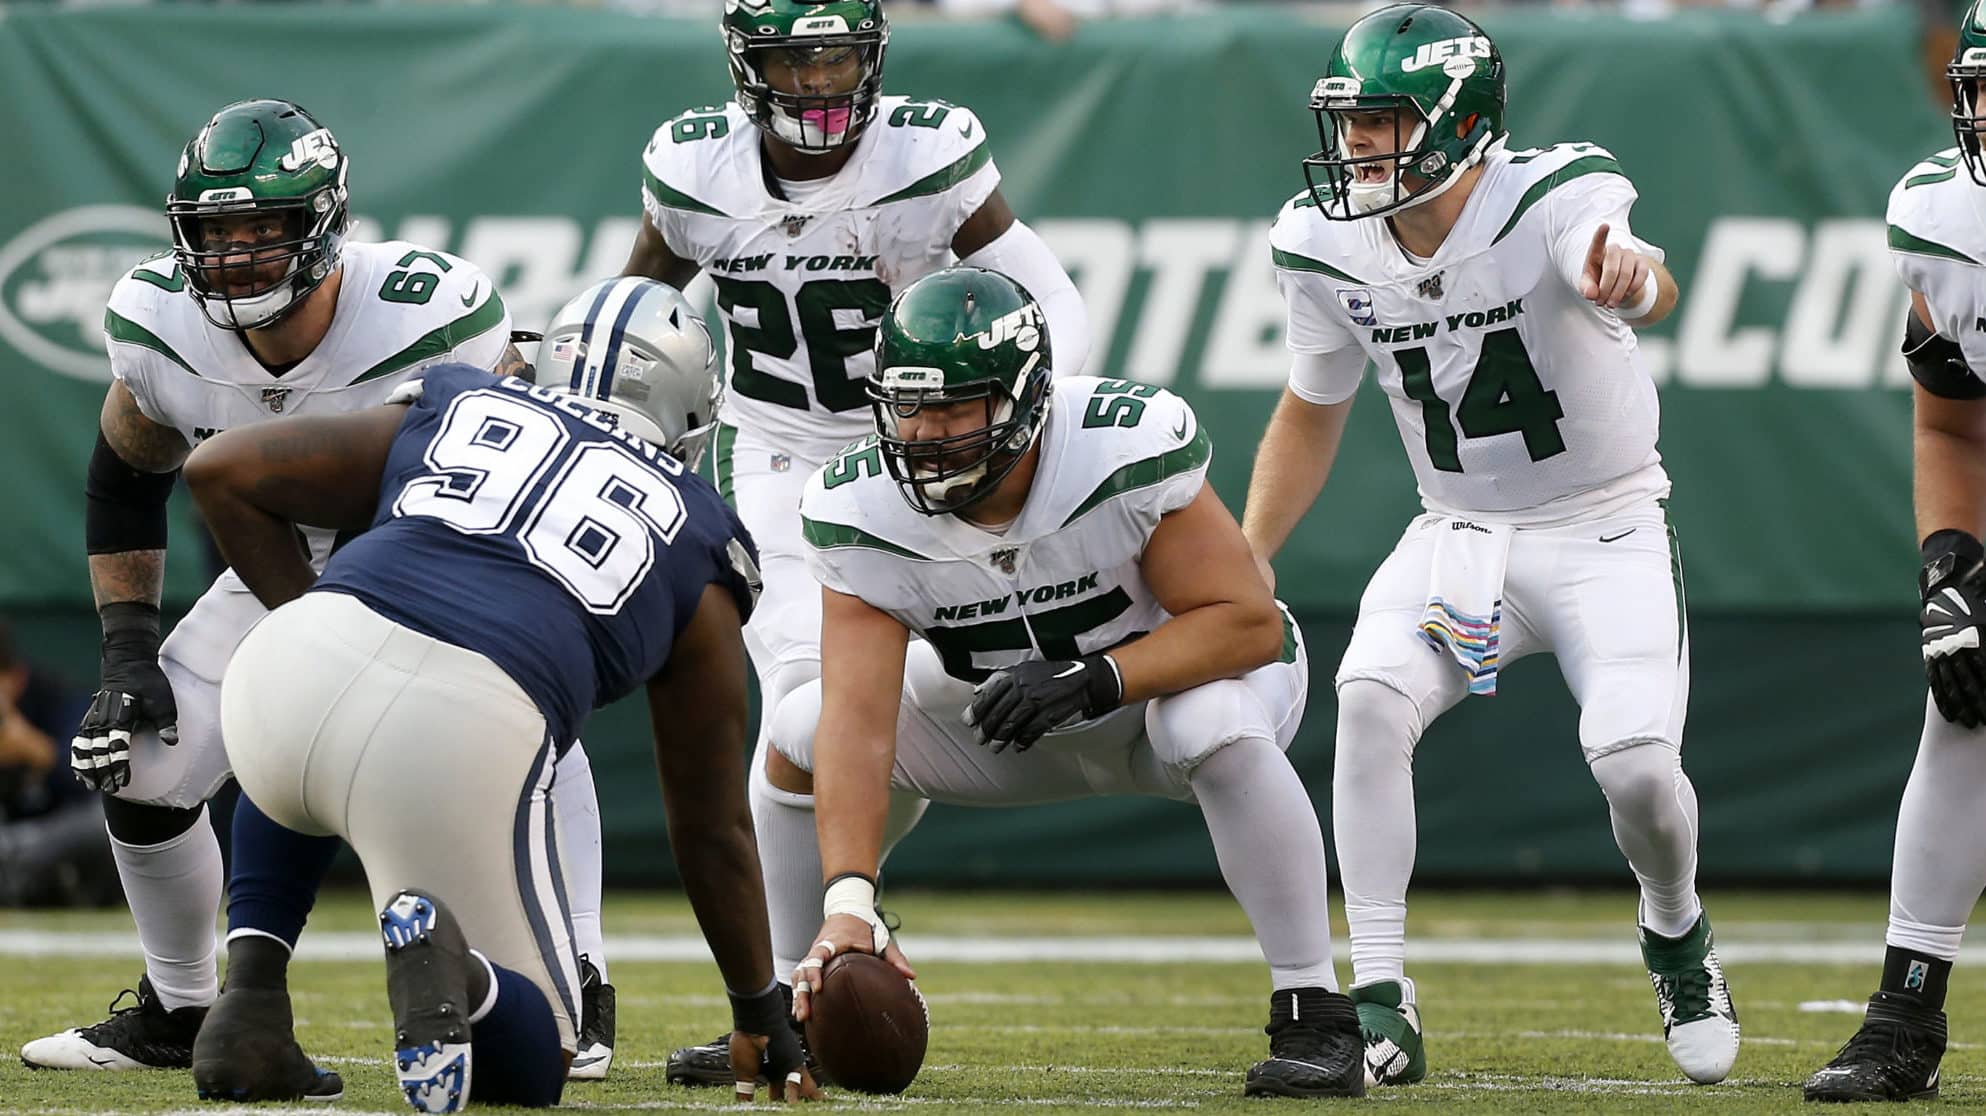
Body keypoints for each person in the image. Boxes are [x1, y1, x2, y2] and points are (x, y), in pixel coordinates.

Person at [20, 98, 618, 1093]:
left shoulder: (431, 313)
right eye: (215, 232)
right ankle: (180, 1007)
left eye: (263, 228)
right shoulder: (161, 327)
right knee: (136, 757)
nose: (236, 255)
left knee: (525, 725)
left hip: (433, 568)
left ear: (325, 225)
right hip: (280, 569)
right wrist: (126, 649)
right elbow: (124, 478)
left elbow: (525, 469)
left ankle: (580, 977)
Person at [1239, 4, 1735, 1088]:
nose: (1356, 143)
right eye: (1349, 120)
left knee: (1637, 768)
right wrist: (1249, 552)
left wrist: (1630, 276)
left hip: (1606, 523)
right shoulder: (1320, 241)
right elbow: (1312, 408)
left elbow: (1642, 274)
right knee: (1369, 697)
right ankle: (1380, 995)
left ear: (1459, 123)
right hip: (1461, 532)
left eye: (1381, 120)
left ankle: (1675, 927)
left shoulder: (1551, 194)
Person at [182, 276, 815, 1112]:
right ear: (692, 411)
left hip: (283, 674)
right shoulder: (700, 534)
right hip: (458, 729)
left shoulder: (458, 399)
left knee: (307, 757)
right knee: (543, 1056)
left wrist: (318, 621)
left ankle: (252, 1002)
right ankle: (464, 977)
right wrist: (759, 1010)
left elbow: (219, 468)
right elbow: (711, 826)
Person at [627, 0, 1089, 1085]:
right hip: (779, 462)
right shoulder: (696, 169)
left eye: (838, 56)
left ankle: (820, 948)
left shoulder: (925, 155)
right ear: (746, 63)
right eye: (794, 59)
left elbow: (1049, 299)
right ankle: (790, 991)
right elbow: (636, 311)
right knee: (807, 712)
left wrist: (1032, 422)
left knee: (885, 711)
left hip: (927, 458)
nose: (819, 81)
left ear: (873, 55)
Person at [766, 265, 1363, 1098]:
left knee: (1209, 721)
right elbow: (859, 723)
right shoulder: (859, 507)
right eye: (909, 406)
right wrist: (850, 899)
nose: (927, 433)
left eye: (955, 408)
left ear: (1026, 399)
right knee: (798, 726)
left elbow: (1248, 625)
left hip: (1159, 703)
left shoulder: (1120, 447)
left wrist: (1099, 677)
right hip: (1011, 729)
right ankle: (791, 1002)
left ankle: (1314, 1007)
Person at [1803, 5, 1986, 1101]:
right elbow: (1954, 424)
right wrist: (1951, 566)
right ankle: (1905, 1013)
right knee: (1963, 704)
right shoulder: (1943, 218)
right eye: (1985, 90)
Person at [0, 620, 110, 909]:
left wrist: (35, 750)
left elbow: (92, 782)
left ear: (15, 678)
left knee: (105, 822)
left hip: (55, 833)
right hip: (10, 837)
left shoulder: (54, 699)